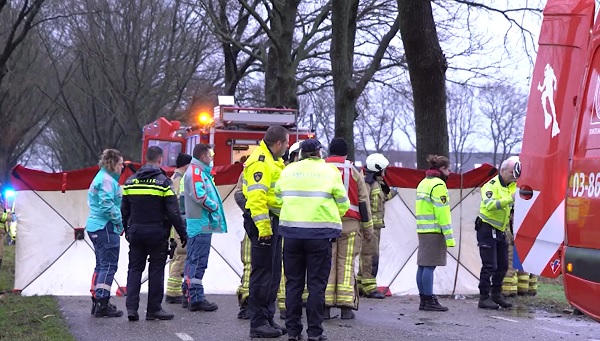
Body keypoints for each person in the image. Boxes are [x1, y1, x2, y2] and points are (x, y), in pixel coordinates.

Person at [275, 138, 349, 341]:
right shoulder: (330, 172)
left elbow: (278, 198)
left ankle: (293, 332)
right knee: (316, 286)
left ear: (299, 154)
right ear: (318, 152)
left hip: (291, 235)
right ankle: (315, 333)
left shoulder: (288, 171)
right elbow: (342, 202)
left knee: (293, 284)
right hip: (319, 236)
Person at [121, 146, 188, 321]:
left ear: (145, 158)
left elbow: (124, 210)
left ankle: (131, 309)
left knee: (134, 269)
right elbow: (173, 212)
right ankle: (153, 310)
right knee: (156, 270)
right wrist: (182, 233)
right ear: (160, 160)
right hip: (157, 233)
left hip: (136, 231)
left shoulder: (130, 182)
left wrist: (128, 230)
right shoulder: (164, 183)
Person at [242, 125, 289, 338]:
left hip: (273, 221)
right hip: (264, 223)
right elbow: (257, 198)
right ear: (278, 143)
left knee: (272, 273)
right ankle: (258, 323)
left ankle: (268, 317)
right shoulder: (259, 162)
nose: (287, 147)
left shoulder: (272, 160)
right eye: (286, 143)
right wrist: (264, 228)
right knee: (262, 274)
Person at [324, 138, 373, 320]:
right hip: (350, 225)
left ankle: (325, 308)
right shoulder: (352, 171)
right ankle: (346, 308)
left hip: (325, 224)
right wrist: (368, 229)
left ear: (329, 152)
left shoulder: (320, 169)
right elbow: (363, 202)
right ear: (346, 153)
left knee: (327, 264)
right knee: (346, 265)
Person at [183, 144, 226, 312]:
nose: (212, 159)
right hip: (200, 223)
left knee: (193, 260)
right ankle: (196, 297)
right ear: (203, 157)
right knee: (198, 261)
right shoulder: (196, 172)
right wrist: (214, 206)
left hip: (199, 222)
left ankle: (188, 292)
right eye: (211, 155)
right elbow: (199, 195)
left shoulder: (198, 172)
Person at [476, 156, 520, 309]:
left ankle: (496, 294)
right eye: (511, 173)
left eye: (516, 174)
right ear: (502, 170)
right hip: (487, 228)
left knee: (502, 265)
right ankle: (484, 297)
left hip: (501, 230)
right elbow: (490, 205)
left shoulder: (512, 185)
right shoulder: (490, 186)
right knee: (489, 265)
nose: (514, 176)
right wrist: (510, 199)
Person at [86, 149, 125, 318]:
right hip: (106, 227)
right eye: (120, 164)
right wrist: (120, 223)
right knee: (109, 266)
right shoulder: (108, 180)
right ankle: (102, 303)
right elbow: (107, 205)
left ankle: (97, 301)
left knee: (101, 265)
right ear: (112, 163)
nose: (122, 167)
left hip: (95, 226)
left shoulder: (100, 177)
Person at [415, 155, 455, 311]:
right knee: (429, 266)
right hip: (434, 230)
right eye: (448, 169)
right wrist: (449, 238)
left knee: (422, 266)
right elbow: (442, 213)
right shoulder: (439, 185)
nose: (450, 173)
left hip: (422, 229)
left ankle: (423, 300)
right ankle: (429, 300)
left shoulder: (423, 183)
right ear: (442, 169)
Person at [357, 153, 395, 299]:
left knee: (370, 255)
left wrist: (392, 193)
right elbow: (365, 203)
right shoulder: (367, 184)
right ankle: (370, 287)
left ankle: (361, 284)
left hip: (375, 227)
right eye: (383, 170)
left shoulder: (377, 183)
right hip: (369, 227)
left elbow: (381, 198)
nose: (385, 172)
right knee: (370, 256)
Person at [165, 153, 193, 304]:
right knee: (181, 254)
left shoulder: (175, 177)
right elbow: (176, 202)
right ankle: (173, 292)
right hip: (178, 224)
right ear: (185, 165)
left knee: (177, 255)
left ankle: (173, 289)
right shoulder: (178, 179)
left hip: (175, 224)